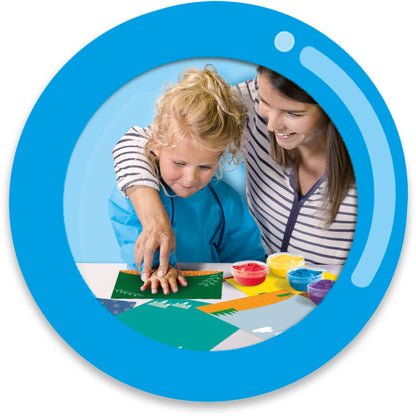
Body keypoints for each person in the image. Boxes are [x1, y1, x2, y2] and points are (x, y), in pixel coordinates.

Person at [112, 64, 357, 280]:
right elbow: (137, 140)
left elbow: (245, 253)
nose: (271, 126)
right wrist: (155, 231)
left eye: (294, 113)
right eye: (265, 102)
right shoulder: (223, 110)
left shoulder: (225, 201)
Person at [109, 66, 266, 295]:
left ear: (220, 158)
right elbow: (136, 245)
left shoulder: (226, 201)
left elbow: (246, 257)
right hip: (151, 290)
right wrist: (159, 269)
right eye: (179, 163)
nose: (191, 178)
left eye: (205, 167)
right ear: (156, 144)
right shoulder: (132, 196)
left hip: (215, 294)